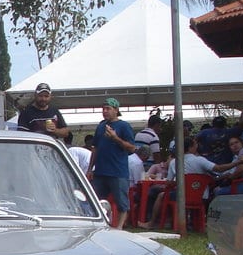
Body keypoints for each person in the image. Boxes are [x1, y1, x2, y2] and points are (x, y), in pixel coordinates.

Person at [138, 134, 217, 229]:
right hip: (201, 196)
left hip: (182, 196)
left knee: (161, 195)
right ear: (191, 147)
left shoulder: (175, 162)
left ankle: (152, 223)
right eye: (196, 144)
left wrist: (177, 183)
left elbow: (168, 183)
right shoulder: (201, 160)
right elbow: (217, 169)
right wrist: (235, 164)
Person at [88, 97, 137, 228]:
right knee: (95, 202)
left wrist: (116, 138)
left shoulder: (124, 126)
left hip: (117, 171)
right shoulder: (101, 126)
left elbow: (132, 148)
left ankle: (119, 227)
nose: (105, 111)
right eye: (103, 109)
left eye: (108, 109)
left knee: (122, 203)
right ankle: (100, 225)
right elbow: (95, 148)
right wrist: (89, 168)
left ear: (116, 110)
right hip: (100, 171)